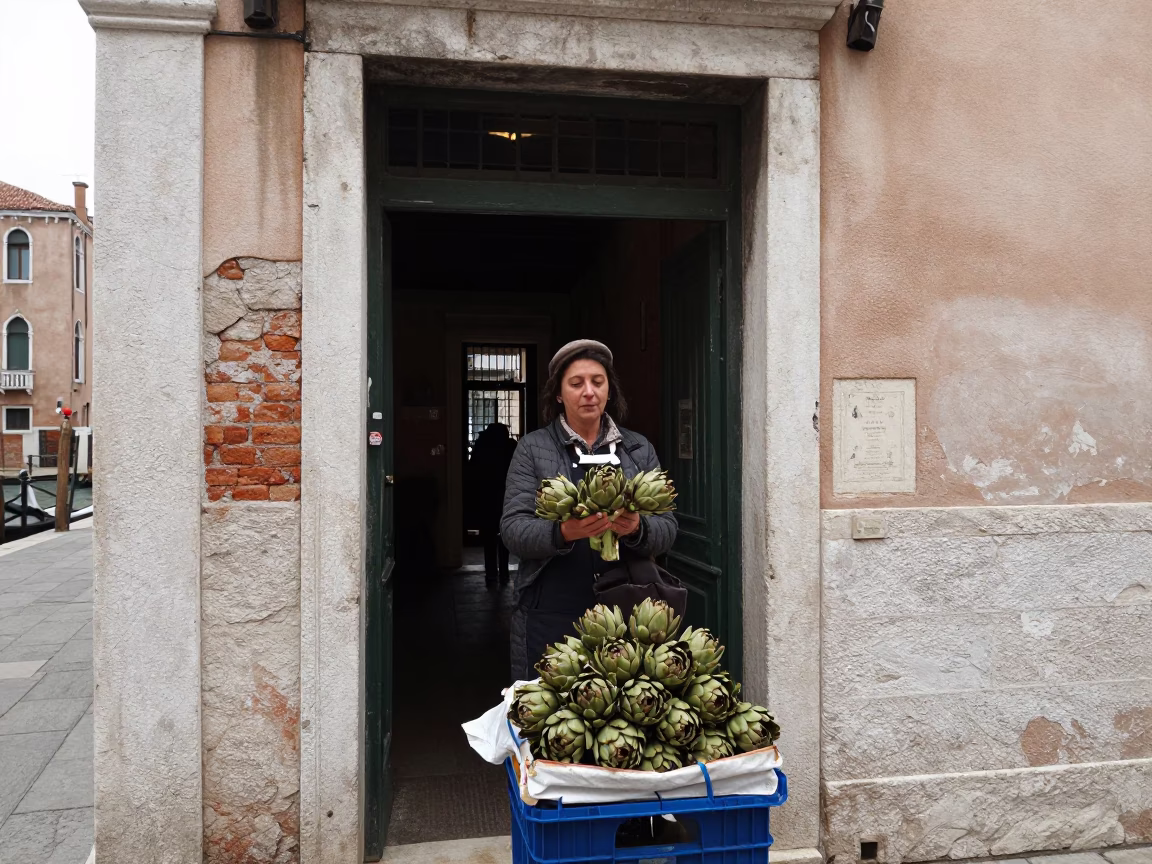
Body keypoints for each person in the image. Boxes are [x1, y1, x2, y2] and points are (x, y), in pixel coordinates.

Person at [500, 340, 677, 680]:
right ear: (558, 394)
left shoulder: (638, 449)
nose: (588, 392)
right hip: (551, 607)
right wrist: (564, 532)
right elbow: (513, 529)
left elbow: (668, 528)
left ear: (609, 390)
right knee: (555, 720)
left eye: (597, 381)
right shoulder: (533, 449)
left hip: (628, 610)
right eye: (576, 383)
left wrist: (638, 529)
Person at [468, 422, 518, 587]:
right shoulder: (510, 447)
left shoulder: (482, 446)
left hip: (486, 497)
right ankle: (504, 573)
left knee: (489, 539)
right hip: (506, 496)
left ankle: (491, 575)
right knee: (504, 538)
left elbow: (473, 471)